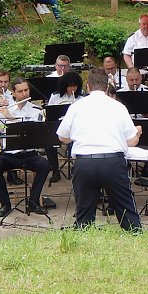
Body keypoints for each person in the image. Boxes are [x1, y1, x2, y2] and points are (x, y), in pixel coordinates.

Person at [57, 68, 142, 231]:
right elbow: (131, 141)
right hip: (112, 162)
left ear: (88, 86)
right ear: (107, 86)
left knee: (84, 217)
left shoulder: (76, 106)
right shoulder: (118, 107)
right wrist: (137, 133)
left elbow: (62, 137)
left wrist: (77, 137)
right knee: (127, 212)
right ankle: (134, 232)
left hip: (85, 163)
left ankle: (84, 234)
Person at [0, 78, 51, 217]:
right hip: (9, 154)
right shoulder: (4, 110)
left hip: (29, 154)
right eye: (20, 91)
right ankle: (5, 204)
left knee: (45, 165)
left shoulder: (36, 111)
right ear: (13, 93)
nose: (24, 94)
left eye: (26, 90)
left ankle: (33, 201)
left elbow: (34, 133)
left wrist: (10, 118)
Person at [46, 72, 84, 182]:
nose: (72, 89)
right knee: (49, 144)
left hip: (76, 129)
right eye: (70, 86)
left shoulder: (81, 98)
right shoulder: (55, 96)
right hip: (59, 127)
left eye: (75, 86)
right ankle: (55, 170)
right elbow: (50, 114)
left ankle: (77, 168)